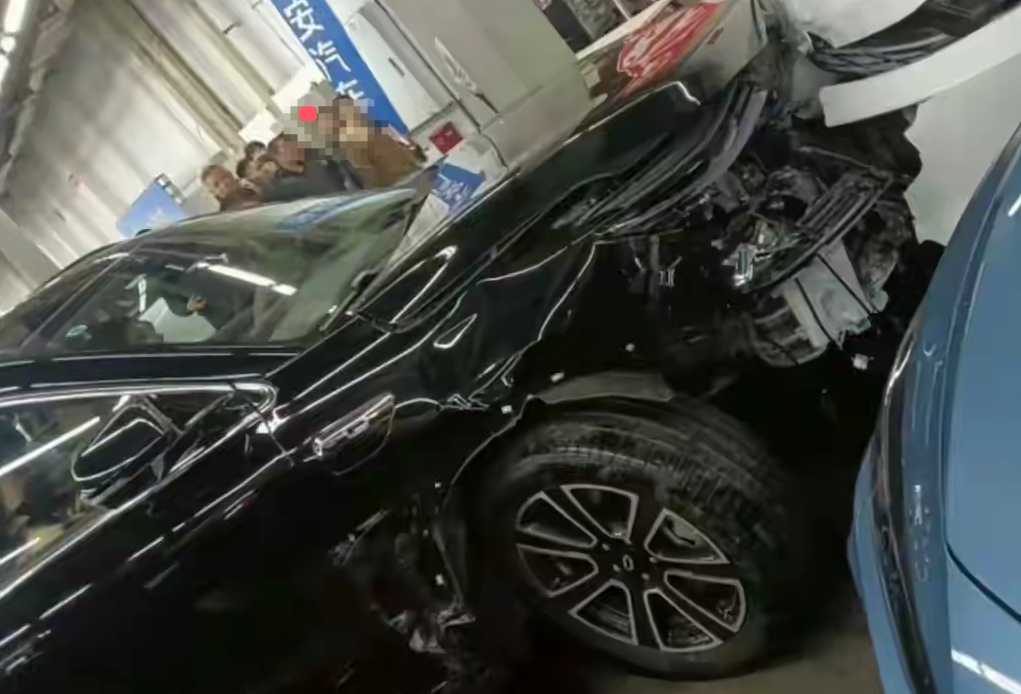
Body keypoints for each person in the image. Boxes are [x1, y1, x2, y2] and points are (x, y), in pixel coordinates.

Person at [317, 96, 423, 189]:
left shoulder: (376, 127)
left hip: (413, 175)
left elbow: (406, 147)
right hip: (399, 185)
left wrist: (413, 153)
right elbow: (368, 176)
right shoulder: (352, 142)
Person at [262, 133, 358, 203]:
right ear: (278, 155)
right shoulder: (283, 184)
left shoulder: (319, 164)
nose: (296, 147)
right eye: (288, 146)